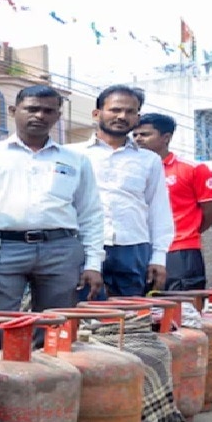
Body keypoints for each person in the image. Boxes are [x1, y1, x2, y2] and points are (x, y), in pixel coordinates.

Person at [0, 84, 104, 314]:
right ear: (13, 110)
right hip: (1, 250)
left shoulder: (76, 160)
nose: (39, 115)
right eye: (32, 109)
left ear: (58, 115)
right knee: (2, 322)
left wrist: (94, 263)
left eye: (48, 111)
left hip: (61, 250)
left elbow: (91, 213)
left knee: (56, 326)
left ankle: (44, 351)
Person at [66, 85, 173, 298]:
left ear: (137, 117)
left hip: (132, 248)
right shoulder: (71, 155)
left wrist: (158, 258)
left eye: (130, 112)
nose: (122, 116)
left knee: (130, 319)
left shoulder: (149, 160)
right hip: (82, 245)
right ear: (97, 114)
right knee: (82, 315)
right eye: (115, 110)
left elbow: (158, 209)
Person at [133, 113, 212, 290]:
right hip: (139, 250)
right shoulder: (132, 170)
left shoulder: (193, 169)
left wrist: (188, 231)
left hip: (180, 251)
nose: (138, 139)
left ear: (166, 137)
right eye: (135, 135)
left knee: (182, 310)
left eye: (145, 134)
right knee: (141, 311)